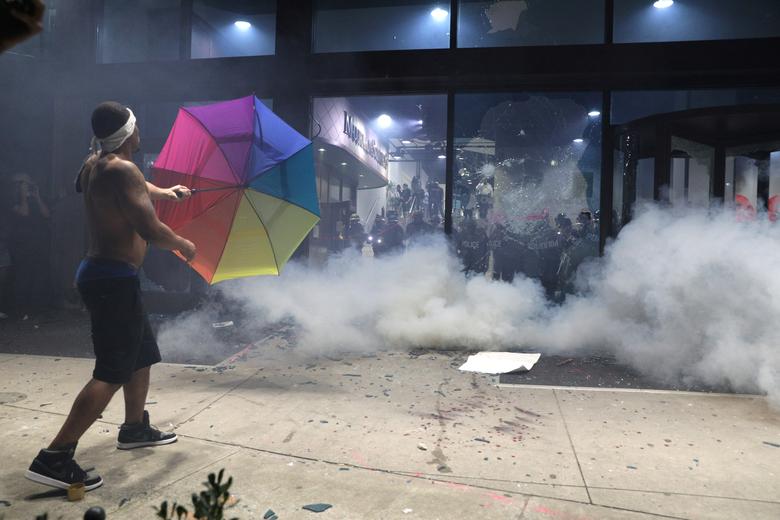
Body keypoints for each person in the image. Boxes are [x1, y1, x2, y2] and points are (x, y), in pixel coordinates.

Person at [25, 102, 196, 492]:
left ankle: (134, 428)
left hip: (110, 277)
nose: (141, 133)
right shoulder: (123, 169)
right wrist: (184, 244)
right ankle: (54, 456)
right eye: (137, 127)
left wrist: (166, 191)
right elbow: (149, 228)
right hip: (112, 280)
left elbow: (135, 188)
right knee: (112, 371)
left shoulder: (96, 163)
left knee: (141, 355)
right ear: (130, 134)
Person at [7, 173, 51, 316]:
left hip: (37, 242)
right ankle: (21, 306)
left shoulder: (35, 199)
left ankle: (36, 306)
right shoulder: (12, 200)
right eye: (24, 184)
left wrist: (37, 197)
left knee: (38, 274)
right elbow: (24, 213)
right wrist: (22, 197)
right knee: (22, 275)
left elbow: (46, 214)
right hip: (21, 245)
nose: (27, 186)